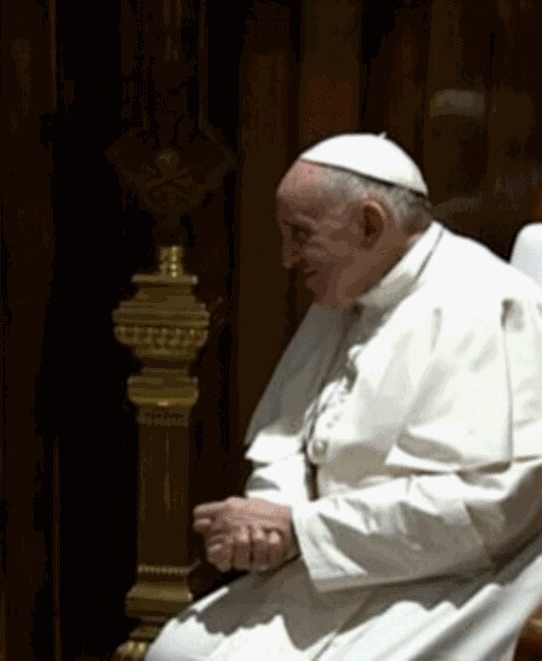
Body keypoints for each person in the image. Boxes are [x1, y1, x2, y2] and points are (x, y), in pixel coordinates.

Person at [147, 133, 542, 660]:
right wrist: (271, 509)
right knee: (179, 648)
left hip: (453, 582)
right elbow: (290, 439)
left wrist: (301, 529)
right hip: (328, 563)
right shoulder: (353, 284)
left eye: (300, 235)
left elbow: (490, 510)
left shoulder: (491, 305)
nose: (287, 258)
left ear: (370, 224)